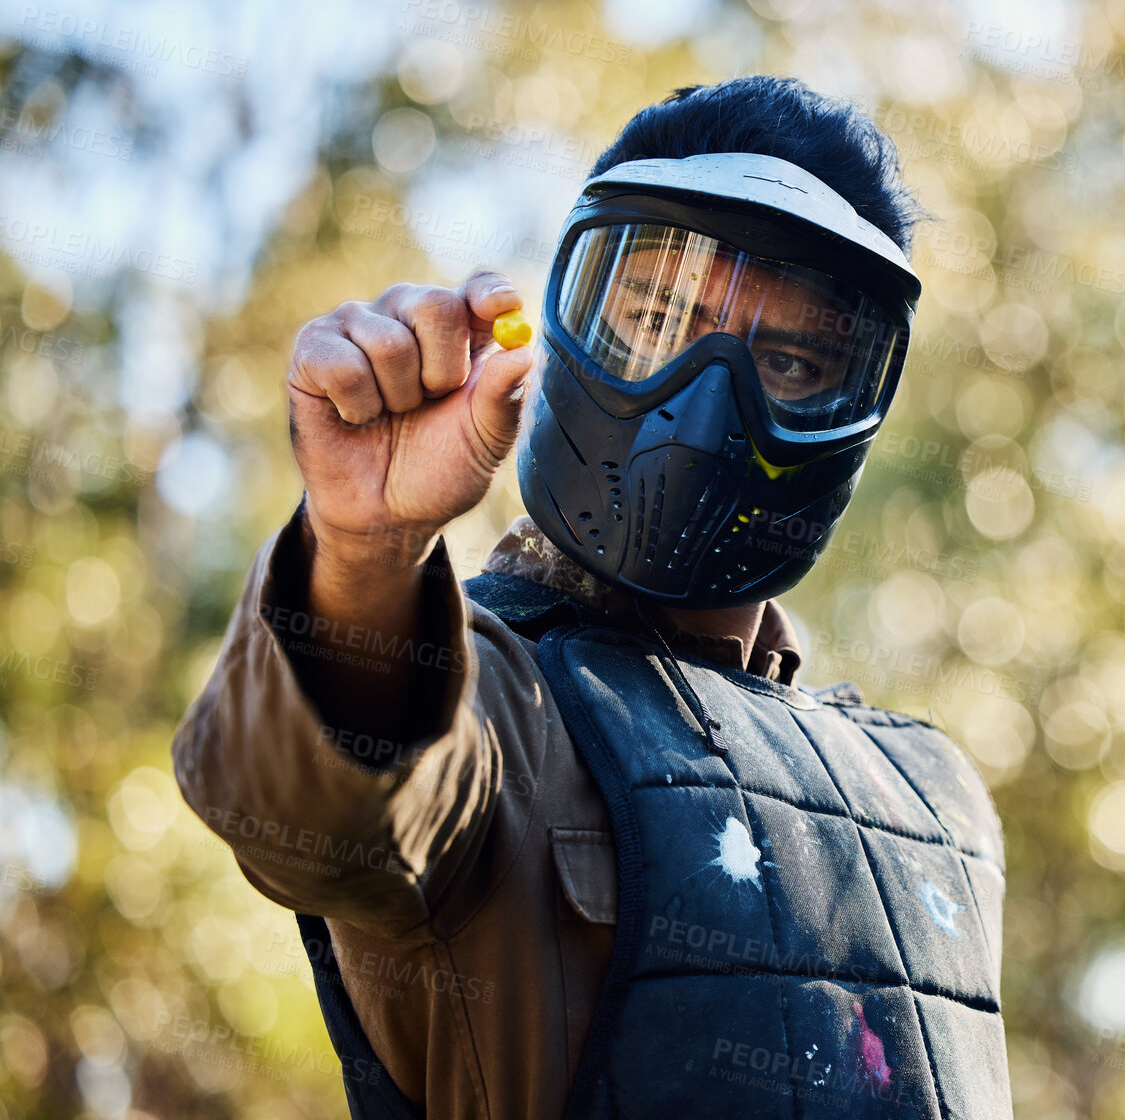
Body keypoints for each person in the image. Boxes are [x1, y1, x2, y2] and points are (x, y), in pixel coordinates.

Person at [172, 76, 1010, 1120]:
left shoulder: (934, 793)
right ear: (564, 325)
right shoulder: (494, 704)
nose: (710, 402)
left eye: (790, 358)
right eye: (658, 316)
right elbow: (310, 801)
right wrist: (362, 547)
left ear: (853, 409)